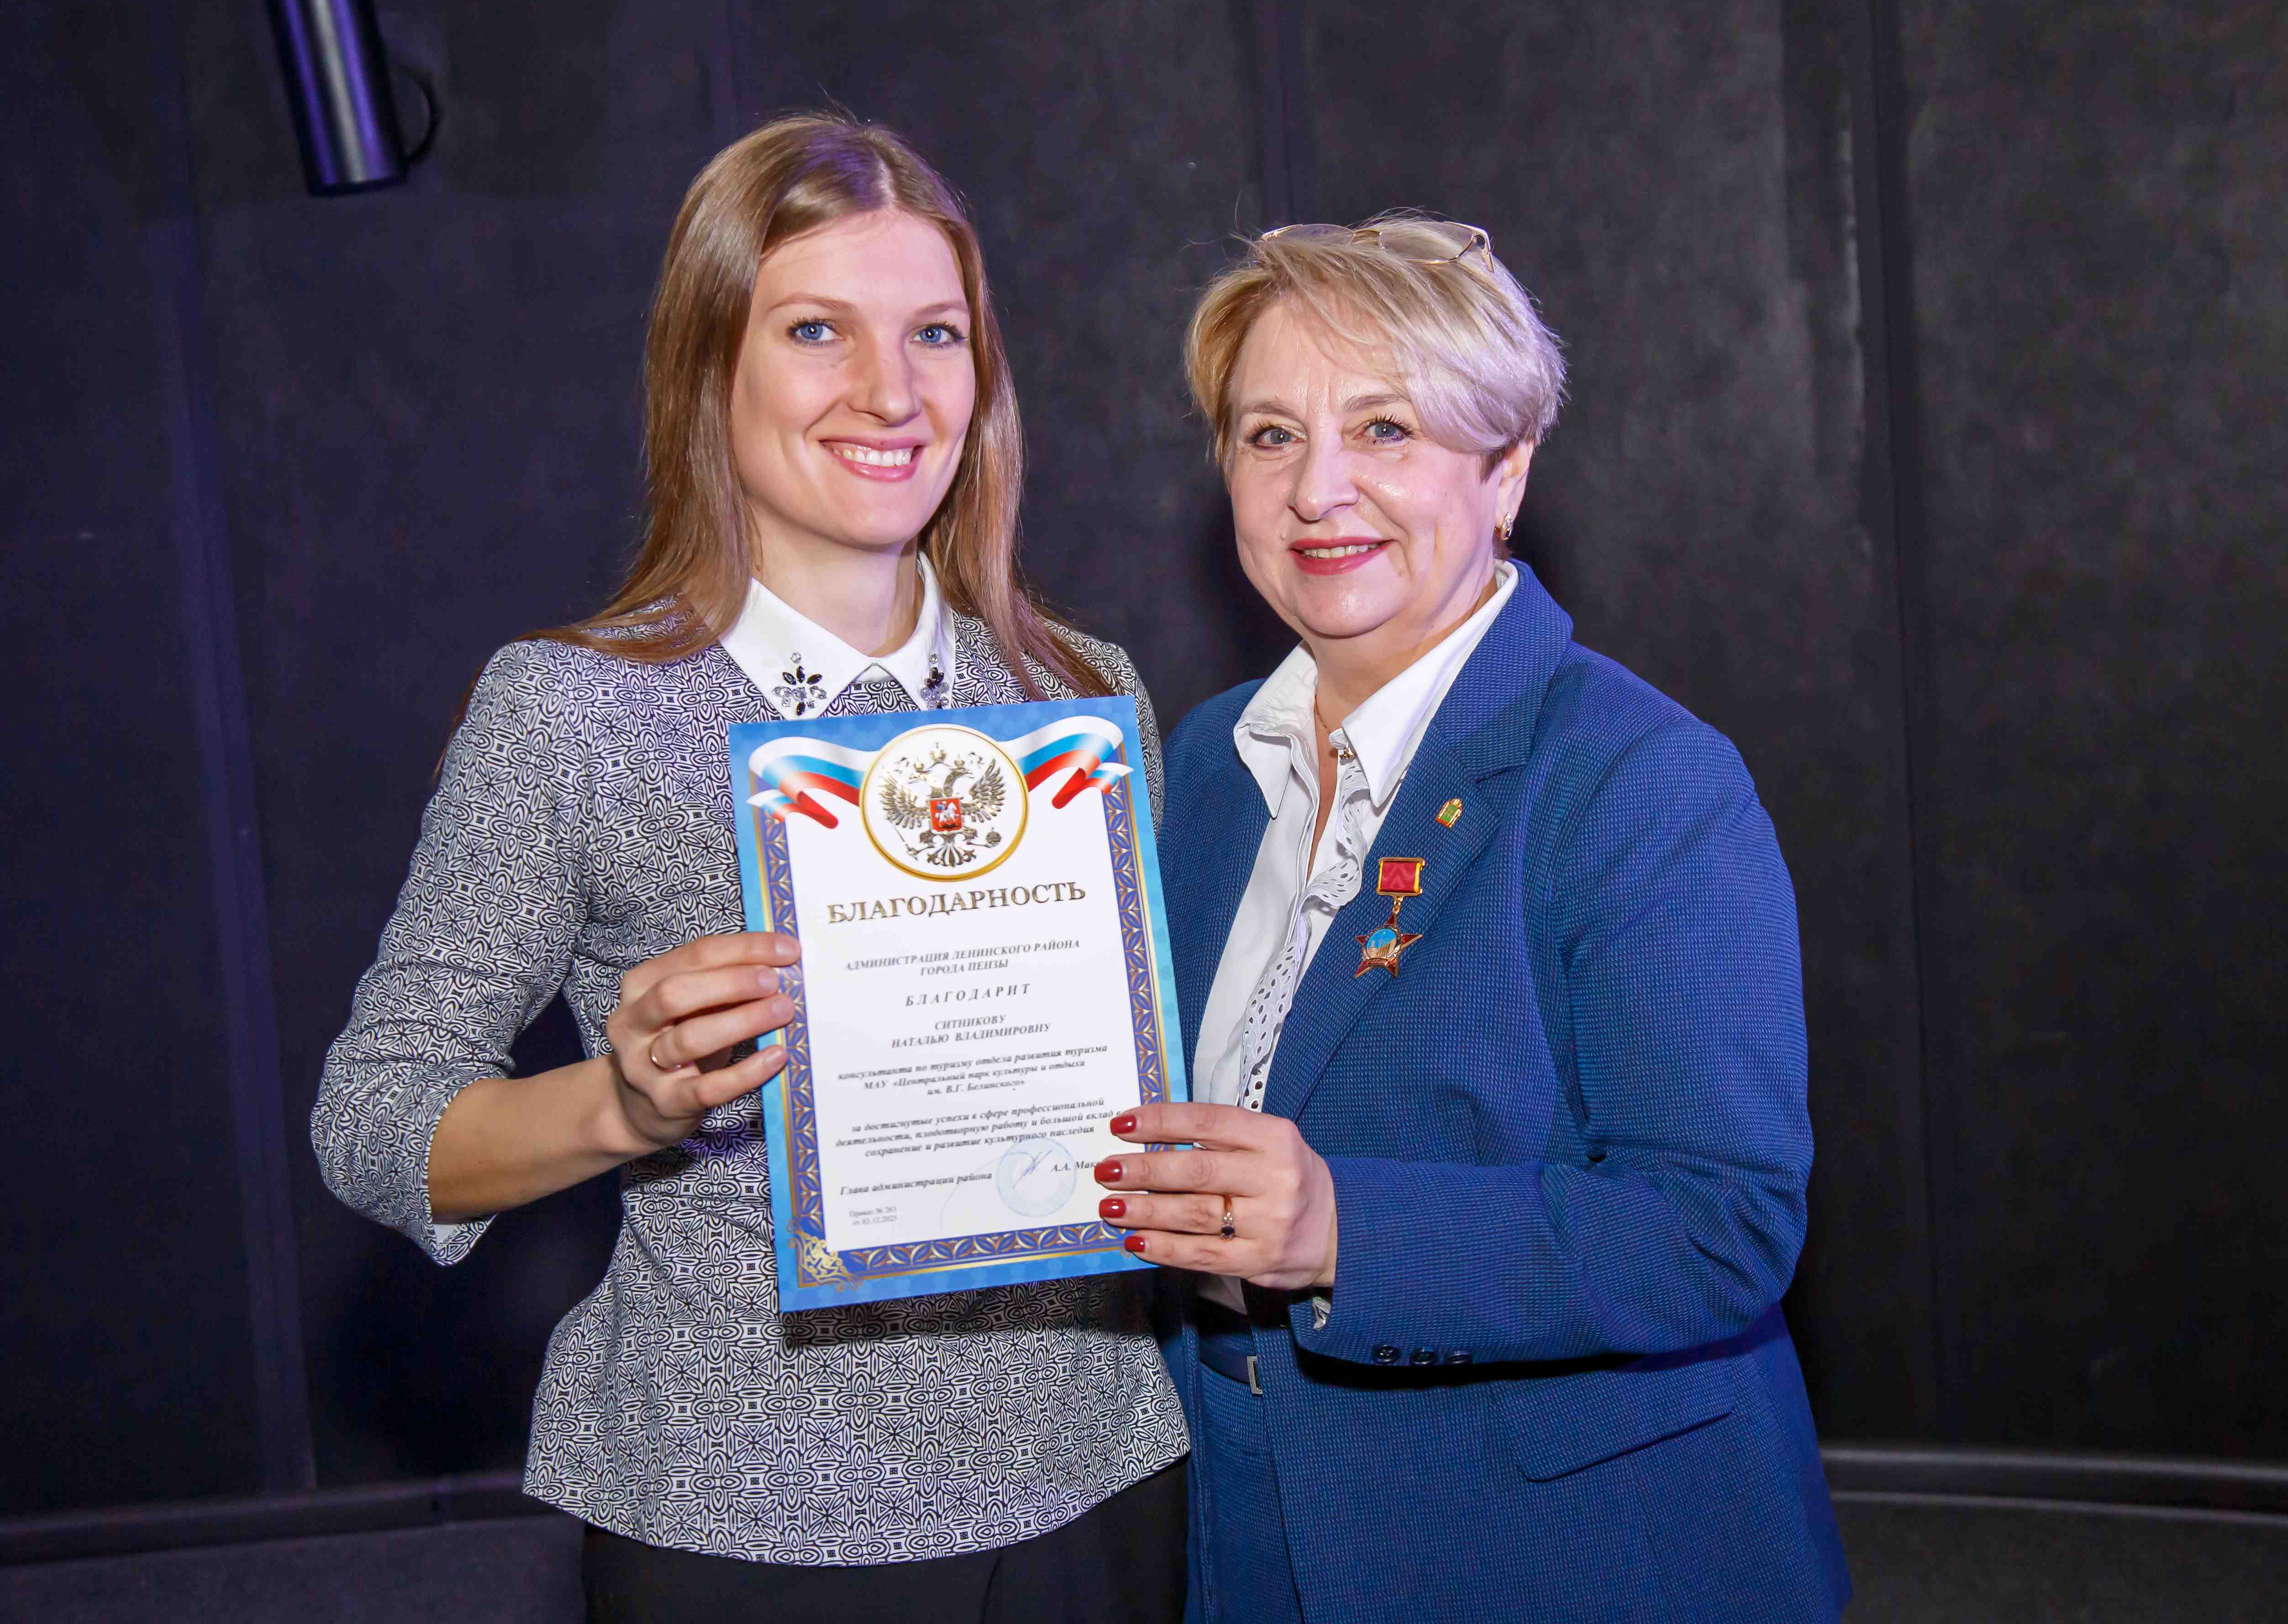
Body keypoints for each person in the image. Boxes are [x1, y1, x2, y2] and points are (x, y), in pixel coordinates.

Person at [310, 113, 1185, 1623]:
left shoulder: (1079, 697)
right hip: (747, 1519)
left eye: (935, 334)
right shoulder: (574, 713)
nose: (891, 391)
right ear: (710, 368)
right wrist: (621, 1104)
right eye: (815, 331)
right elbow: (373, 1118)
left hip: (1098, 1490)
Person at [1096, 217, 1849, 1621]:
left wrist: (1346, 1230)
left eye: (1384, 429)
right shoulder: (1200, 765)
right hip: (1237, 1513)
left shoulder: (1637, 779)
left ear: (1506, 472)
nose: (1318, 488)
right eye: (1270, 435)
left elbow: (1721, 1228)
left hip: (1553, 1551)